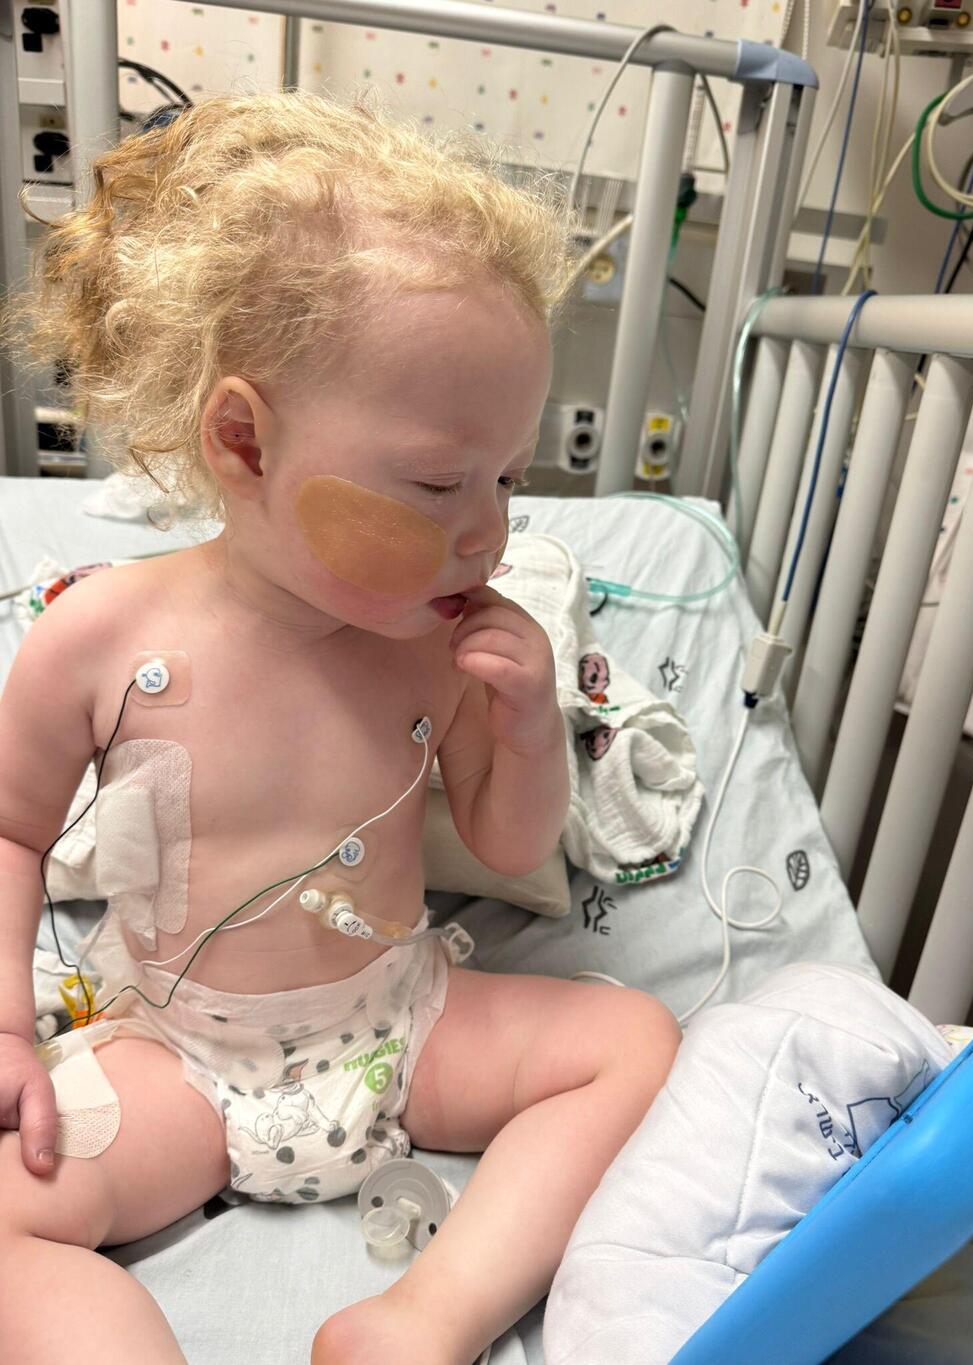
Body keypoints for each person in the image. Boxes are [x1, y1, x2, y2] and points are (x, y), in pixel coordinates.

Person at [0, 89, 681, 1364]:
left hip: (401, 1025)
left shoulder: (442, 642)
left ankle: (426, 1318)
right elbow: (11, 832)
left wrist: (529, 730)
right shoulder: (99, 639)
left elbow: (506, 835)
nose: (488, 529)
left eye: (508, 478)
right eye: (437, 482)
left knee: (634, 1041)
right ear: (244, 442)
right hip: (177, 1057)